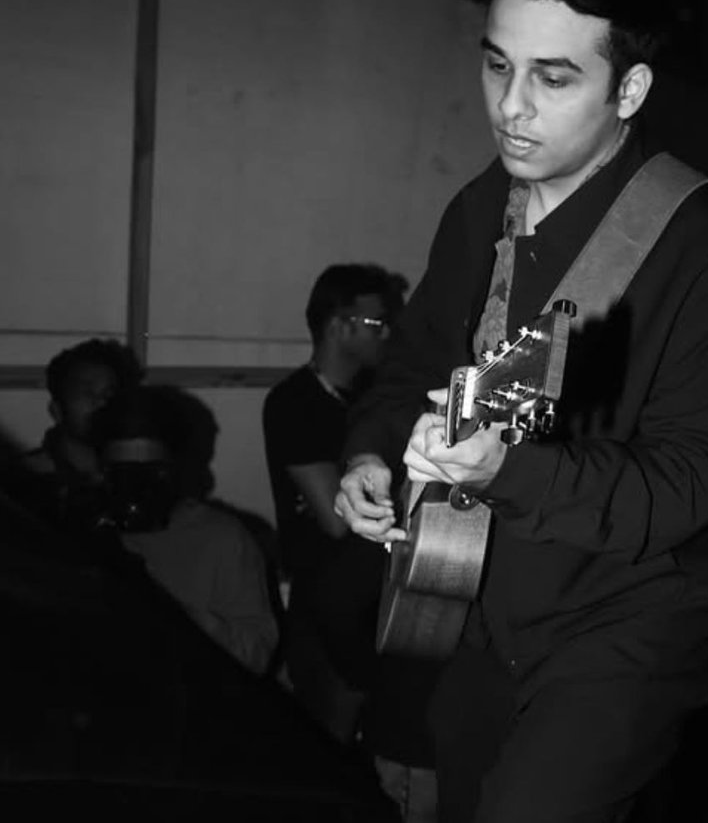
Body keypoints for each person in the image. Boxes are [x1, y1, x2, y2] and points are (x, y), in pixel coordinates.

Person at [333, 0, 708, 820]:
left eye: (554, 77)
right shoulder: (477, 210)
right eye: (498, 65)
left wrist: (509, 470)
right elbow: (413, 363)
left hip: (621, 632)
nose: (511, 106)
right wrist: (369, 454)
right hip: (472, 606)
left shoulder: (702, 255)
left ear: (630, 89)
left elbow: (699, 480)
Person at [262, 264, 439, 820]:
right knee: (330, 766)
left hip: (377, 606)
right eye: (378, 324)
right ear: (340, 325)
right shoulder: (296, 401)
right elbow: (335, 521)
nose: (388, 335)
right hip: (326, 611)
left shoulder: (372, 398)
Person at [92, 385, 280, 675]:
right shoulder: (79, 531)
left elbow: (256, 655)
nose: (138, 491)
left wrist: (182, 618)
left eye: (151, 474)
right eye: (124, 475)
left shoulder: (222, 539)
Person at [23, 338, 142, 528]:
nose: (101, 403)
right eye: (87, 393)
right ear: (57, 410)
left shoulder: (143, 477)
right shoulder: (29, 480)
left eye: (109, 394)